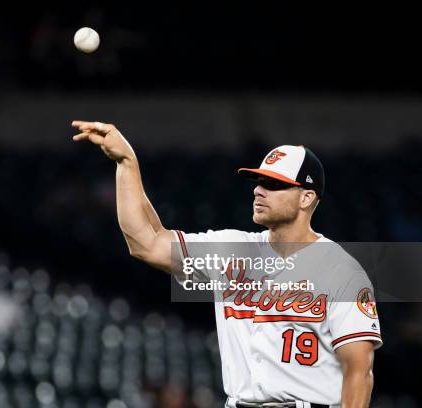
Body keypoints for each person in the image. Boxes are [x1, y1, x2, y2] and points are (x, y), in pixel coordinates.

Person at [71, 120, 382, 408]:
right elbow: (147, 243)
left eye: (274, 184)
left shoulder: (342, 271)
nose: (258, 190)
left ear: (306, 198)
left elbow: (359, 371)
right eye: (259, 181)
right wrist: (127, 163)